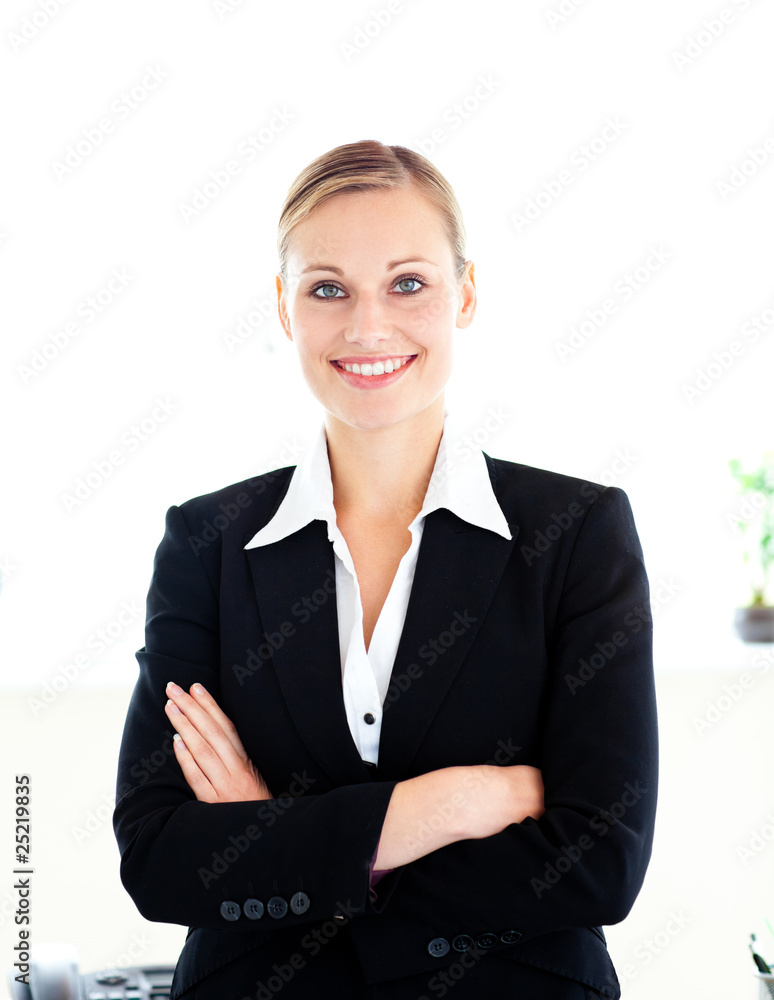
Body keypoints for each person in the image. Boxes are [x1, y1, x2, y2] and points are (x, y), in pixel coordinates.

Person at [113, 139, 658, 1000]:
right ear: (286, 310)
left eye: (408, 283)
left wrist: (275, 832)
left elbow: (601, 864)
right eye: (328, 288)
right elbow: (158, 860)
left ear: (465, 296)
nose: (368, 327)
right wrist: (436, 809)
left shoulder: (575, 534)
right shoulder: (206, 543)